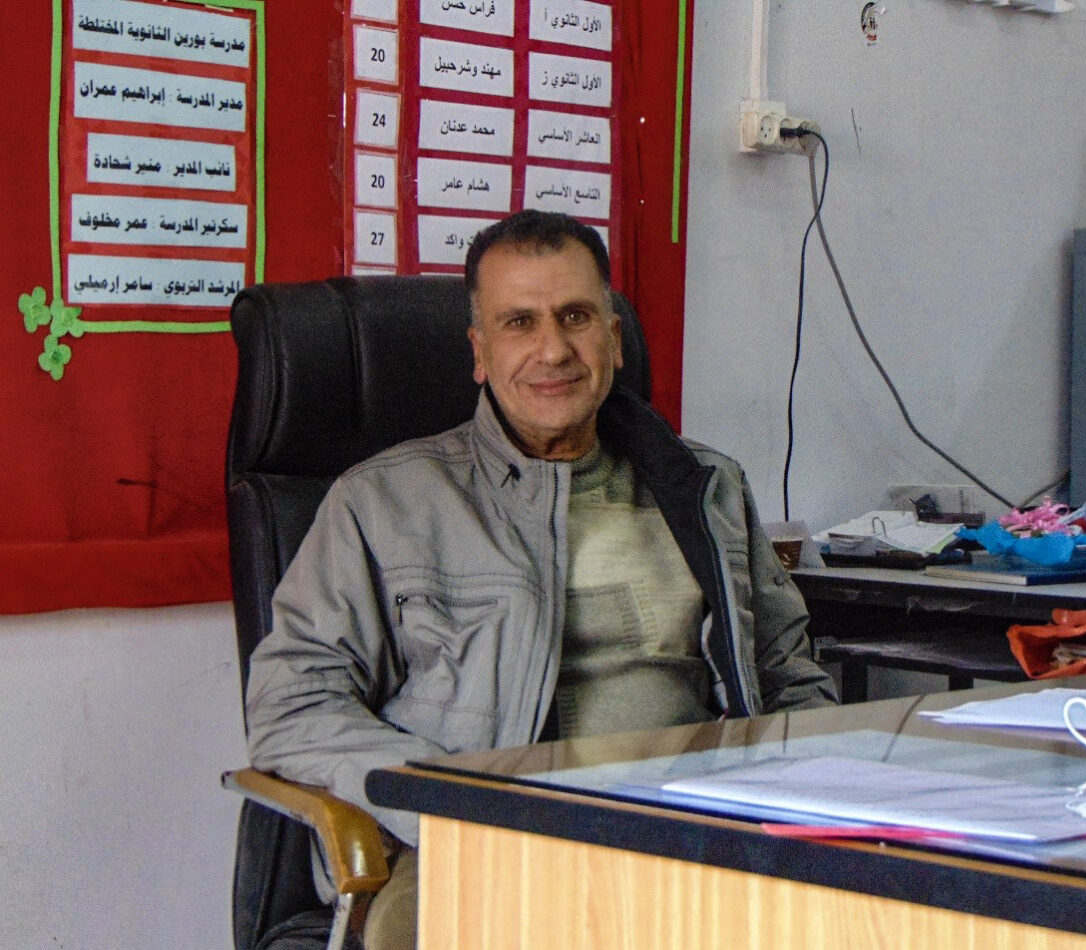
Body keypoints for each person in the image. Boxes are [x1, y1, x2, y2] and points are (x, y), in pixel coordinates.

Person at [245, 209, 837, 949]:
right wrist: (451, 803)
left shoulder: (705, 489)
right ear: (480, 353)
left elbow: (788, 675)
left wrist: (821, 800)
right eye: (519, 322)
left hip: (692, 831)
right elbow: (291, 702)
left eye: (576, 316)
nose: (553, 349)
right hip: (475, 848)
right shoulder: (383, 501)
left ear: (614, 339)